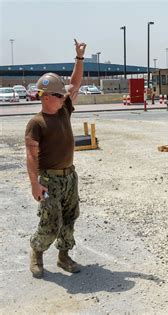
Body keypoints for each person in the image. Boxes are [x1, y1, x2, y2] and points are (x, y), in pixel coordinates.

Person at [25, 39, 87, 278]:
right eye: (60, 95)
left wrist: (79, 58)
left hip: (70, 176)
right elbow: (31, 157)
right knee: (51, 223)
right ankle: (37, 251)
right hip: (49, 180)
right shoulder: (36, 123)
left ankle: (64, 256)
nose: (65, 97)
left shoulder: (63, 110)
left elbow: (75, 83)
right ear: (46, 97)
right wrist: (34, 184)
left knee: (70, 218)